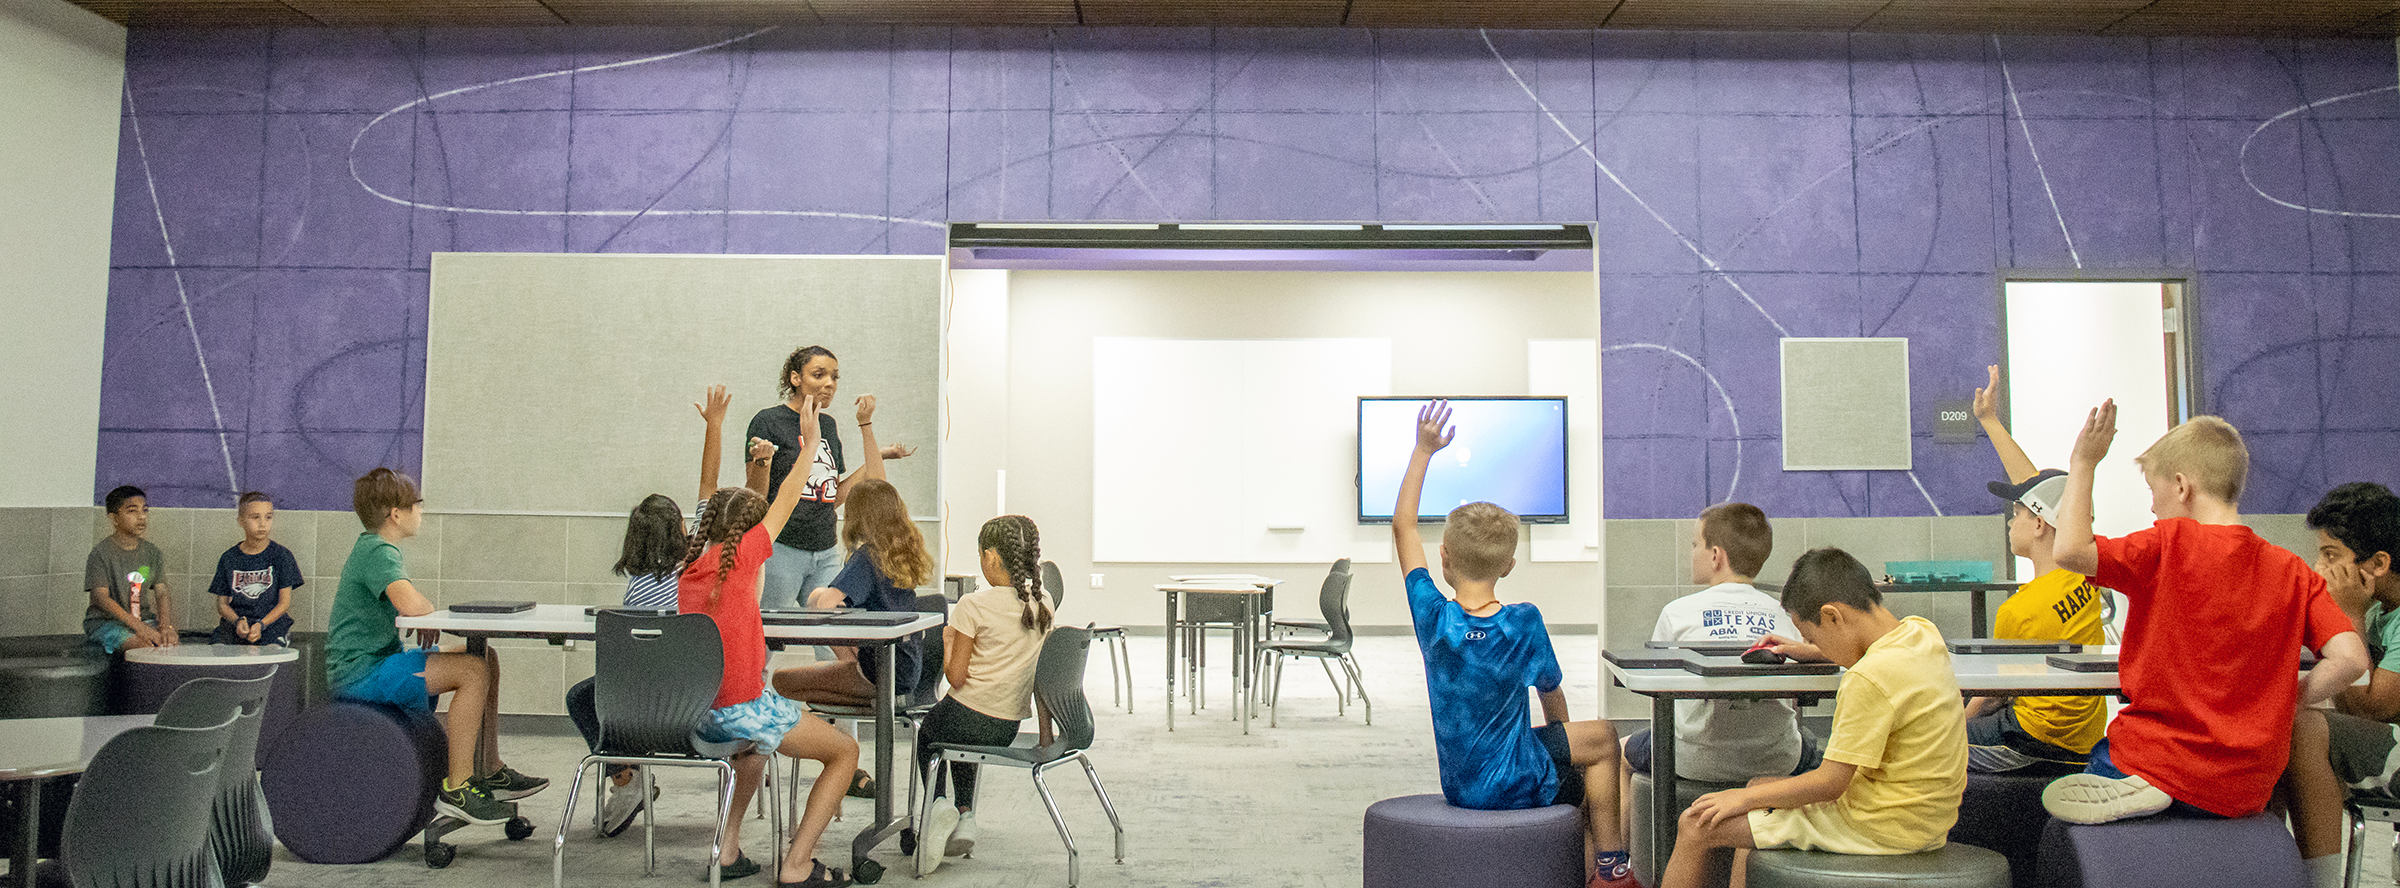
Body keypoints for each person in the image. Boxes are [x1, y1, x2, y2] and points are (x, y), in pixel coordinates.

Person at [2037, 405, 2366, 829]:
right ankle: (2166, 790)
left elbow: (2068, 551)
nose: (2153, 507)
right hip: (2245, 783)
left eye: (2154, 492)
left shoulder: (2166, 543)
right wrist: (2292, 696)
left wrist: (2083, 463)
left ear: (2181, 486)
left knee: (2074, 800)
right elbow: (2352, 660)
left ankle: (2151, 784)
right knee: (2213, 790)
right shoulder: (2292, 570)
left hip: (2156, 752)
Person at [1394, 401, 1631, 888]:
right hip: (1515, 782)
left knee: (1579, 765)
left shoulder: (1432, 617)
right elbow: (1552, 697)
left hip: (1460, 786)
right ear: (1508, 565)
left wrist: (1423, 450)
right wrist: (1563, 748)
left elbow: (1404, 528)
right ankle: (1613, 869)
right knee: (1604, 739)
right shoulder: (1522, 623)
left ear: (1444, 558)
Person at [1660, 548, 1967, 888]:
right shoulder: (1921, 633)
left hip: (1880, 827)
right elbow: (1874, 656)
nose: (1811, 642)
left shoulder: (1867, 679)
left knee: (1696, 823)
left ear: (1832, 616)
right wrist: (1814, 650)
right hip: (1925, 819)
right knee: (1760, 786)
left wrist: (1741, 799)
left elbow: (1830, 784)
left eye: (1811, 635)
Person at [566, 384, 768, 838]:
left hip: (641, 713)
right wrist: (714, 427)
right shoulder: (699, 566)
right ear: (683, 527)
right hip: (698, 705)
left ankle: (626, 777)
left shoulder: (635, 589)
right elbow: (709, 485)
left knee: (582, 696)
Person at [681, 393, 861, 888]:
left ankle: (728, 849)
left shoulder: (689, 567)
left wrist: (717, 430)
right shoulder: (747, 556)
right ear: (752, 532)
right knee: (844, 752)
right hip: (739, 708)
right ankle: (798, 864)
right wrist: (813, 442)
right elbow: (786, 495)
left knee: (755, 751)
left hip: (692, 711)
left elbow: (710, 490)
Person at [326, 468, 548, 826]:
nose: (421, 512)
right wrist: (424, 612)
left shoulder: (375, 549)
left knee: (482, 657)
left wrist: (422, 615)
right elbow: (412, 605)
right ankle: (458, 788)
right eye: (417, 505)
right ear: (395, 514)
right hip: (360, 674)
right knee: (473, 671)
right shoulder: (378, 551)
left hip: (378, 662)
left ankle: (489, 768)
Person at [1964, 365, 2106, 772]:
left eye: (2017, 514)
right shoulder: (2088, 570)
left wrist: (1949, 725)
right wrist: (1990, 421)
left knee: (1923, 735)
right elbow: (2039, 490)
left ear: (2040, 524)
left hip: (2033, 738)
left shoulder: (2019, 610)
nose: (2011, 522)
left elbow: (1994, 694)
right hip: (2084, 736)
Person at [1623, 502, 1820, 788]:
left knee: (1623, 751)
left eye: (1695, 545)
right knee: (1809, 741)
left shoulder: (1676, 612)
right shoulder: (1784, 614)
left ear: (1716, 555)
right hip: (1777, 760)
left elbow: (1656, 690)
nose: (1691, 554)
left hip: (1694, 759)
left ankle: (1629, 835)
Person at [913, 515, 1055, 877]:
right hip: (1005, 725)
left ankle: (940, 805)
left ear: (990, 556)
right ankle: (965, 816)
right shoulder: (1045, 603)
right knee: (962, 744)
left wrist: (947, 644)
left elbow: (956, 678)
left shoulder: (973, 606)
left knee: (930, 737)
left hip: (965, 714)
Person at [2283, 482, 2400, 888]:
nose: (2319, 567)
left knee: (2302, 729)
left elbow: (2368, 709)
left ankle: (2317, 882)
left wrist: (2348, 613)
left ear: (2379, 563)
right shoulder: (2382, 611)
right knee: (2279, 723)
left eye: (2331, 555)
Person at [744, 345, 912, 609]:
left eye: (834, 377)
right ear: (796, 378)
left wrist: (876, 455)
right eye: (819, 375)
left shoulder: (829, 426)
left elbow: (833, 495)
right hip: (781, 547)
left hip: (825, 549)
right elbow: (754, 496)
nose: (829, 384)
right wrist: (763, 462)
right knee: (768, 636)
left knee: (833, 639)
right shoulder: (768, 421)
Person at [84, 484, 177, 654]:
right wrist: (139, 628)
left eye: (145, 510)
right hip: (107, 624)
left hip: (144, 621)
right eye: (132, 511)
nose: (141, 517)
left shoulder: (152, 552)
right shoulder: (100, 554)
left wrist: (166, 626)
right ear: (114, 518)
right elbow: (101, 598)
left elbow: (162, 592)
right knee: (143, 647)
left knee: (168, 644)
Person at [206, 491, 302, 647]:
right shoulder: (229, 558)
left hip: (271, 626)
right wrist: (237, 620)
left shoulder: (282, 556)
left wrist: (261, 624)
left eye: (268, 517)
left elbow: (284, 604)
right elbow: (222, 604)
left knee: (271, 654)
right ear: (241, 521)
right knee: (218, 651)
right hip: (235, 627)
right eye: (255, 517)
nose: (263, 524)